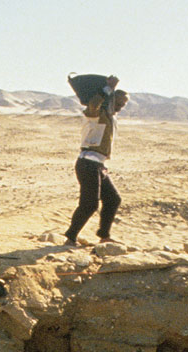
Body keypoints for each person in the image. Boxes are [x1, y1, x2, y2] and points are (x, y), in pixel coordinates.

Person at [63, 79, 128, 247]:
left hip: (98, 165)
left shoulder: (111, 119)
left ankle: (104, 235)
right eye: (118, 103)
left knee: (113, 199)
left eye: (123, 105)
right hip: (88, 163)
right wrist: (108, 88)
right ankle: (70, 237)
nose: (120, 107)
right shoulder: (96, 114)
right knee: (90, 204)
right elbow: (93, 104)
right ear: (111, 99)